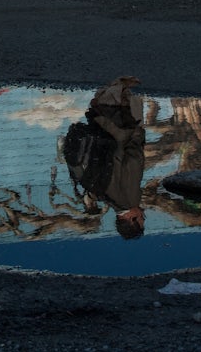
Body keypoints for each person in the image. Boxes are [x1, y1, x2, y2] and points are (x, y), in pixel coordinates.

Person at [63, 76, 147, 239]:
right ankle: (113, 85)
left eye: (142, 218)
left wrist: (138, 135)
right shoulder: (105, 198)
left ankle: (119, 80)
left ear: (132, 219)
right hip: (101, 134)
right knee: (108, 102)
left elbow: (133, 161)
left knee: (124, 101)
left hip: (119, 133)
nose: (143, 214)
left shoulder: (130, 199)